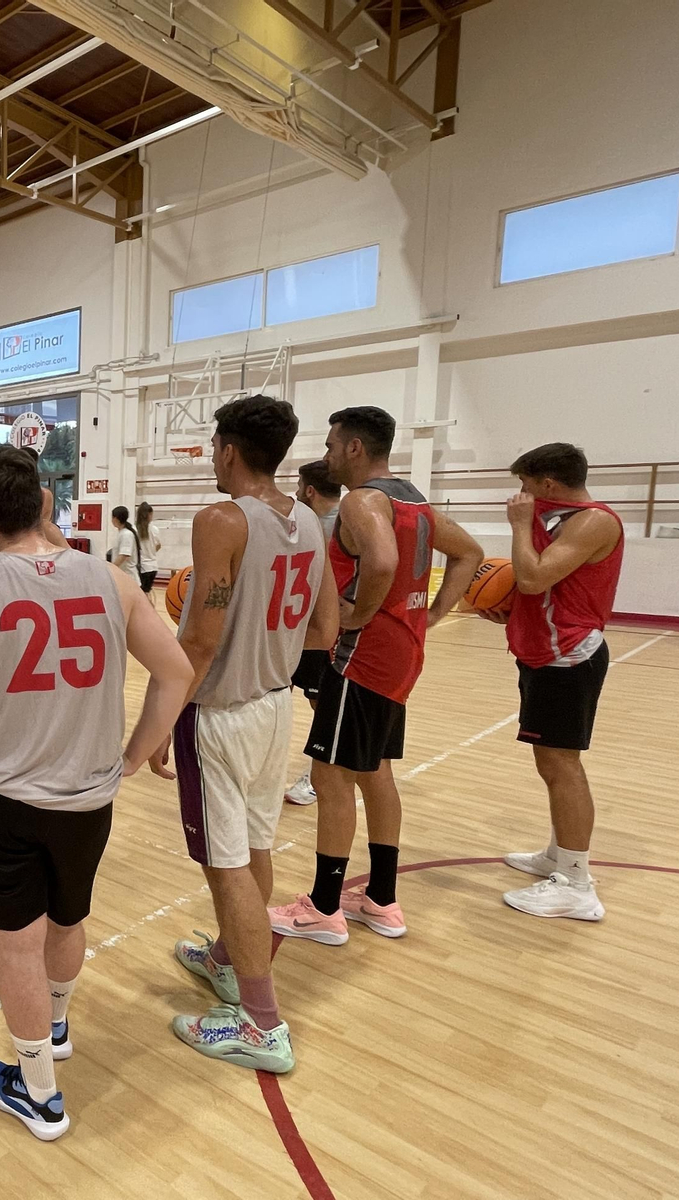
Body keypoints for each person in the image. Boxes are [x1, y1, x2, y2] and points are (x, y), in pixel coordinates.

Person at [0, 444, 191, 1141]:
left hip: (4, 797)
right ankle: (54, 1027)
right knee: (68, 920)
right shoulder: (113, 581)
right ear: (44, 504)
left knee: (16, 945)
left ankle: (40, 1092)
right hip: (90, 792)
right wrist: (138, 752)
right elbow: (176, 672)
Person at [156, 396, 338, 1075]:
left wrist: (159, 718)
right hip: (275, 706)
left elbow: (201, 635)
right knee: (253, 846)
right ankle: (228, 960)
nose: (209, 456)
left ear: (230, 449)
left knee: (223, 863)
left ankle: (262, 1025)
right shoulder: (313, 521)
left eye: (212, 446)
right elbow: (325, 629)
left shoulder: (220, 520)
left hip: (219, 713)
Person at [269, 407, 481, 945]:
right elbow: (471, 553)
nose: (327, 455)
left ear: (356, 448)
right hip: (402, 656)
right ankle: (381, 898)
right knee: (376, 773)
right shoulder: (416, 501)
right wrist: (431, 615)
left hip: (362, 657)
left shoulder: (363, 501)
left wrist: (357, 615)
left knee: (331, 777)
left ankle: (322, 908)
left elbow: (382, 563)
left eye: (332, 444)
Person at [497, 443, 623, 921]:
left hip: (569, 656)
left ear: (547, 484)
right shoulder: (562, 522)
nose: (522, 496)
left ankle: (576, 883)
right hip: (545, 653)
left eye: (525, 486)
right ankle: (559, 854)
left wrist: (518, 524)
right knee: (551, 763)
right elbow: (537, 590)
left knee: (562, 765)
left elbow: (532, 578)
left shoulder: (594, 521)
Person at [284, 460, 343, 806]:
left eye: (297, 487)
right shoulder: (347, 519)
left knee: (324, 705)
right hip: (314, 628)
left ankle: (320, 776)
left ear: (309, 490)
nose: (294, 493)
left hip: (320, 631)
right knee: (314, 700)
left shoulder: (320, 525)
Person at [134, 502, 161, 599]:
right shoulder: (154, 529)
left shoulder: (135, 530)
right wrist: (151, 552)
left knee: (140, 596)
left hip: (141, 567)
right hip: (153, 566)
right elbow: (158, 546)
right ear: (149, 515)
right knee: (145, 594)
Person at [109, 506, 140, 585]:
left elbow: (124, 555)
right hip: (122, 575)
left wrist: (112, 568)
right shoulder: (122, 533)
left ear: (115, 518)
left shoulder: (126, 534)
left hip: (128, 576)